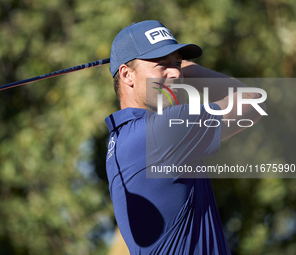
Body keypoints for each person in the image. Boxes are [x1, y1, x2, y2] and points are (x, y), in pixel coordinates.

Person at [104, 20, 265, 254]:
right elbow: (253, 102)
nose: (176, 73)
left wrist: (170, 69)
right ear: (127, 74)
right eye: (161, 64)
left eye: (177, 63)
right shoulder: (164, 130)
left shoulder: (121, 139)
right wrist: (190, 69)